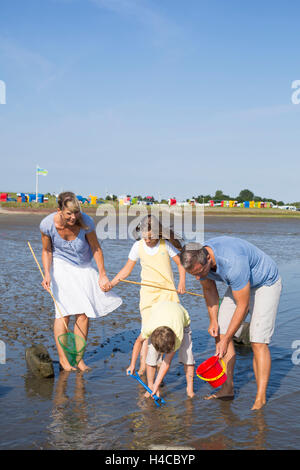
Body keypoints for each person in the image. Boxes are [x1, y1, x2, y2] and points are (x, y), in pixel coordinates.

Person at [180, 237, 282, 410]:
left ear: (209, 260)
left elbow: (243, 306)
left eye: (199, 273)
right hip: (239, 285)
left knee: (258, 341)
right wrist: (214, 321)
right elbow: (208, 289)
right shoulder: (199, 260)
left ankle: (260, 398)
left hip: (265, 283)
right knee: (219, 332)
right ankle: (227, 388)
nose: (197, 278)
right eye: (193, 274)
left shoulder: (232, 262)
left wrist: (228, 339)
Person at [39, 191, 122, 372]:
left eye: (76, 212)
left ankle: (79, 359)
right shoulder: (47, 225)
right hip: (60, 266)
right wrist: (47, 274)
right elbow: (47, 251)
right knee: (64, 313)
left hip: (84, 266)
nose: (73, 217)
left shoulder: (86, 223)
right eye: (69, 213)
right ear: (59, 210)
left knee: (84, 313)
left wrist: (102, 274)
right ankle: (63, 360)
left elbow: (96, 248)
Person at [110, 214, 186, 375]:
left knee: (164, 329)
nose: (147, 240)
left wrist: (181, 283)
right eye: (144, 236)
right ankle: (144, 365)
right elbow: (126, 270)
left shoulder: (166, 245)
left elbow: (181, 265)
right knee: (147, 330)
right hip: (148, 294)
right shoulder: (137, 246)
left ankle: (159, 362)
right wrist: (112, 283)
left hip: (167, 293)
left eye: (151, 237)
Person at [126, 301, 195, 398]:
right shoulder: (149, 328)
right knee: (151, 356)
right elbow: (138, 342)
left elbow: (166, 362)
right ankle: (150, 387)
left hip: (181, 317)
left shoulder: (178, 336)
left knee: (188, 357)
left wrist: (157, 384)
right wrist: (132, 364)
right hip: (159, 310)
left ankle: (190, 390)